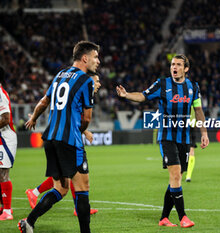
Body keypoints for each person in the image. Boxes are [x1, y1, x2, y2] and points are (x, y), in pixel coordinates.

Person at [116, 54, 209, 228]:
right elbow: (143, 96)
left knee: (177, 179)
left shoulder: (193, 87)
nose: (174, 67)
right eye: (172, 64)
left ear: (186, 68)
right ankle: (183, 217)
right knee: (175, 175)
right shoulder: (162, 84)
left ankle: (164, 218)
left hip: (184, 138)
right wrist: (127, 95)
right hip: (166, 136)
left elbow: (198, 111)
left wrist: (204, 132)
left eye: (178, 65)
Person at [19, 41, 100, 233]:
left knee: (61, 188)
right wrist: (80, 130)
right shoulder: (87, 81)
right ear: (85, 58)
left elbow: (43, 101)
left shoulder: (59, 75)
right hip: (69, 141)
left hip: (50, 138)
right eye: (96, 57)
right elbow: (87, 118)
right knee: (82, 188)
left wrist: (34, 119)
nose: (98, 61)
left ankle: (29, 222)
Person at [25, 73, 101, 217]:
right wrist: (85, 132)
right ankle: (77, 209)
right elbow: (75, 118)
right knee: (71, 176)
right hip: (65, 139)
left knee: (67, 177)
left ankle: (35, 195)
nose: (99, 84)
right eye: (97, 81)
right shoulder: (82, 90)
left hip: (60, 137)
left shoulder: (77, 89)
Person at [0, 66, 17, 221]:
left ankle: (7, 211)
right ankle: (3, 207)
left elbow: (5, 118)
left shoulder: (0, 94)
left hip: (5, 139)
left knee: (3, 173)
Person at [185, 106, 197, 182]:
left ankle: (188, 175)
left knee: (191, 151)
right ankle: (181, 171)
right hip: (182, 128)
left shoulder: (194, 100)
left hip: (191, 128)